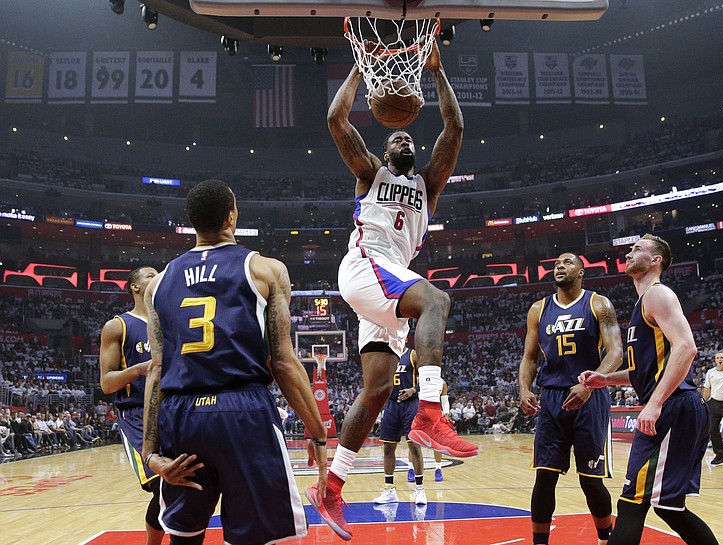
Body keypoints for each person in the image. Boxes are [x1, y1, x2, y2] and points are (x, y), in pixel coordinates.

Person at [309, 39, 476, 541]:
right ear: (383, 151)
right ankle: (429, 412)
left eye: (409, 139)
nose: (404, 142)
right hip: (365, 266)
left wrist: (439, 72)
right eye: (396, 139)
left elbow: (455, 129)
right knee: (438, 298)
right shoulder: (370, 174)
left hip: (385, 289)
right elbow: (337, 121)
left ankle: (332, 487)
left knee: (378, 390)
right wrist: (360, 70)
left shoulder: (429, 184)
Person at [140, 179, 328, 545]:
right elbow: (283, 364)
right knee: (256, 538)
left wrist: (150, 455)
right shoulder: (266, 271)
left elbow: (157, 369)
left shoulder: (158, 284)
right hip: (243, 412)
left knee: (183, 535)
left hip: (181, 416)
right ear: (232, 216)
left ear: (193, 223)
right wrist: (318, 434)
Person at [579, 234, 718, 545]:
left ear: (656, 261)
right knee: (669, 507)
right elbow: (648, 370)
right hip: (674, 407)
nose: (629, 253)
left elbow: (686, 348)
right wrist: (607, 379)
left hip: (673, 407)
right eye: (630, 248)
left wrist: (654, 404)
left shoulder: (658, 295)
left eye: (638, 249)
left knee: (632, 503)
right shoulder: (643, 303)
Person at [518, 252, 624, 545]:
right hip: (551, 397)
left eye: (567, 262)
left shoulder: (598, 304)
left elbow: (616, 351)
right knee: (544, 477)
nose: (559, 266)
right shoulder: (538, 310)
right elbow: (529, 357)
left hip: (589, 397)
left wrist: (591, 383)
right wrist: (524, 389)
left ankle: (606, 539)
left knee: (591, 480)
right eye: (556, 264)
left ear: (581, 272)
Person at [99, 266, 163, 545]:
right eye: (150, 274)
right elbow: (107, 383)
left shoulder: (171, 323)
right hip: (136, 414)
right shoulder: (118, 326)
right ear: (134, 287)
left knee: (184, 483)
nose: (156, 277)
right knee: (163, 484)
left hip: (172, 409)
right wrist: (140, 369)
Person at [373, 347, 427, 507]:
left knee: (414, 447)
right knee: (388, 449)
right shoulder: (386, 356)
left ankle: (420, 489)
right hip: (391, 405)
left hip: (410, 404)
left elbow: (428, 379)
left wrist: (413, 390)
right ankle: (389, 489)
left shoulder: (413, 354)